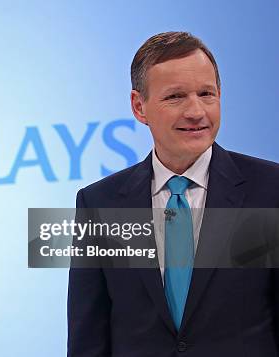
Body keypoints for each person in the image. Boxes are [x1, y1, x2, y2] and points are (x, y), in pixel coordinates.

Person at [67, 31, 279, 356]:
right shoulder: (99, 203)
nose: (196, 111)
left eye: (206, 93)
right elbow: (88, 337)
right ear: (139, 107)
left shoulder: (270, 189)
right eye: (176, 97)